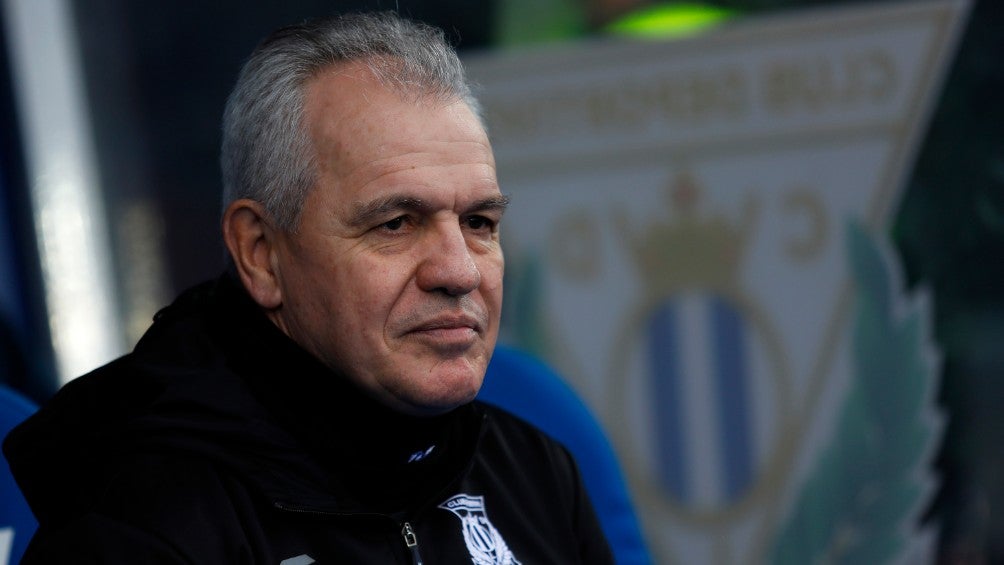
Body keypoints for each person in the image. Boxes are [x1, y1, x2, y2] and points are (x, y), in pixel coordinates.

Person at [2, 12, 614, 564]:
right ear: (261, 253)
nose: (459, 271)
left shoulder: (535, 470)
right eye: (396, 223)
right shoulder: (142, 522)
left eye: (479, 223)